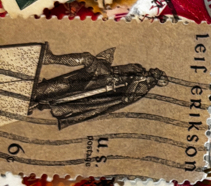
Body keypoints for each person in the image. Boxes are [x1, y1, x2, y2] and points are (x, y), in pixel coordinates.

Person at [29, 44, 169, 129]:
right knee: (65, 81)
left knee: (86, 60)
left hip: (104, 85)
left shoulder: (143, 87)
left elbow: (126, 99)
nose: (157, 69)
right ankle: (48, 61)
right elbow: (117, 70)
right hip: (104, 74)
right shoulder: (138, 68)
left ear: (156, 79)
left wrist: (136, 82)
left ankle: (49, 60)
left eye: (159, 73)